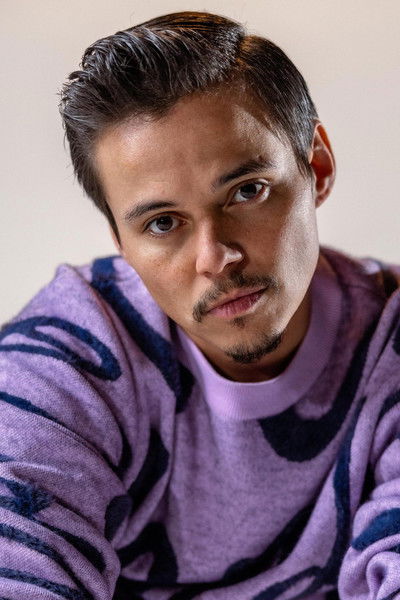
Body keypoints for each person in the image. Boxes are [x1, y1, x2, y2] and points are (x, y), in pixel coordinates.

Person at [0, 10, 399, 600]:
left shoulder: (389, 343)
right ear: (120, 241)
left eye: (247, 191)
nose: (216, 258)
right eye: (163, 223)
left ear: (316, 167)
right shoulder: (63, 363)